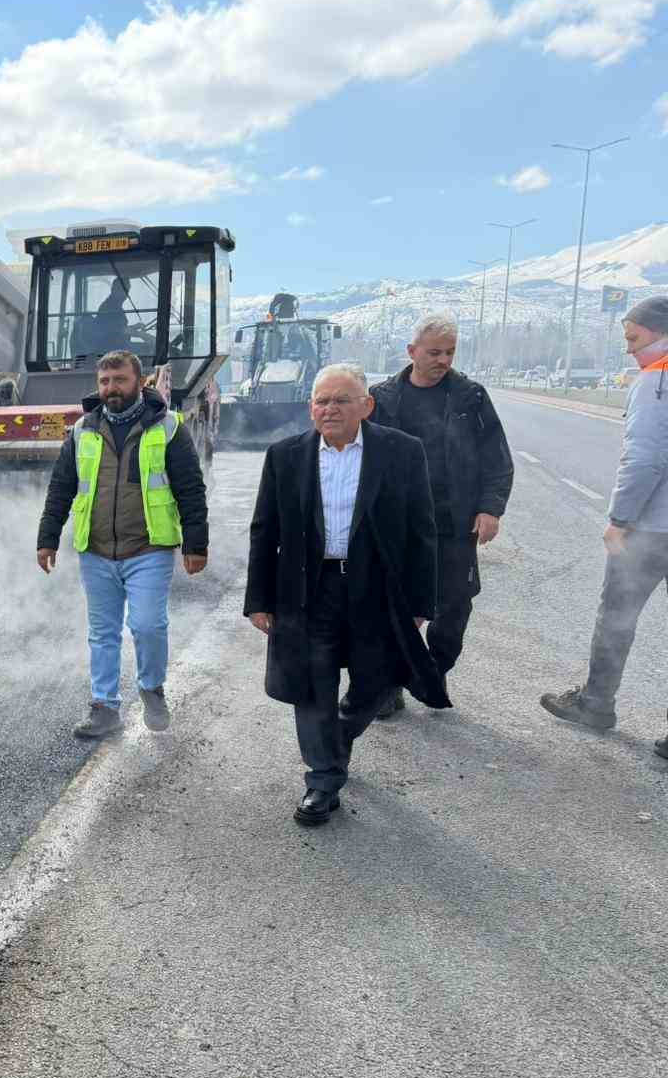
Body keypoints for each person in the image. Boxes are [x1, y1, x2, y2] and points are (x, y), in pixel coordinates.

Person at [244, 364, 447, 827]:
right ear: (310, 406)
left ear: (366, 405)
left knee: (378, 679)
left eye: (340, 400)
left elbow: (423, 531)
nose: (329, 409)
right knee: (312, 684)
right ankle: (323, 779)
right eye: (321, 400)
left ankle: (337, 735)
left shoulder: (402, 452)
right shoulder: (285, 456)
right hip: (307, 590)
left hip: (375, 588)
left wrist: (421, 602)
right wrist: (258, 599)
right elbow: (264, 531)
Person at [36, 349, 209, 738]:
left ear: (139, 382)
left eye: (120, 380)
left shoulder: (167, 428)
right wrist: (47, 538)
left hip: (148, 548)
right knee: (102, 632)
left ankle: (151, 688)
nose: (111, 389)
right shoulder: (83, 430)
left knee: (147, 625)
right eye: (105, 382)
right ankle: (104, 707)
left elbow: (190, 490)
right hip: (95, 550)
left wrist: (196, 544)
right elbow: (61, 487)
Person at [540, 295, 668, 759]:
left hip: (653, 529)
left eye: (633, 338)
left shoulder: (656, 380)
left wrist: (619, 520)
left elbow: (646, 459)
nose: (630, 350)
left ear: (658, 333)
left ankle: (596, 705)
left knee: (616, 616)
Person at [368, 315, 514, 716]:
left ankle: (433, 668)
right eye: (434, 352)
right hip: (396, 524)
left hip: (453, 523)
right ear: (411, 352)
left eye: (450, 352)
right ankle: (389, 683)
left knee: (453, 608)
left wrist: (490, 508)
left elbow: (496, 457)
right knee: (394, 607)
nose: (443, 359)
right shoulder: (380, 398)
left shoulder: (471, 397)